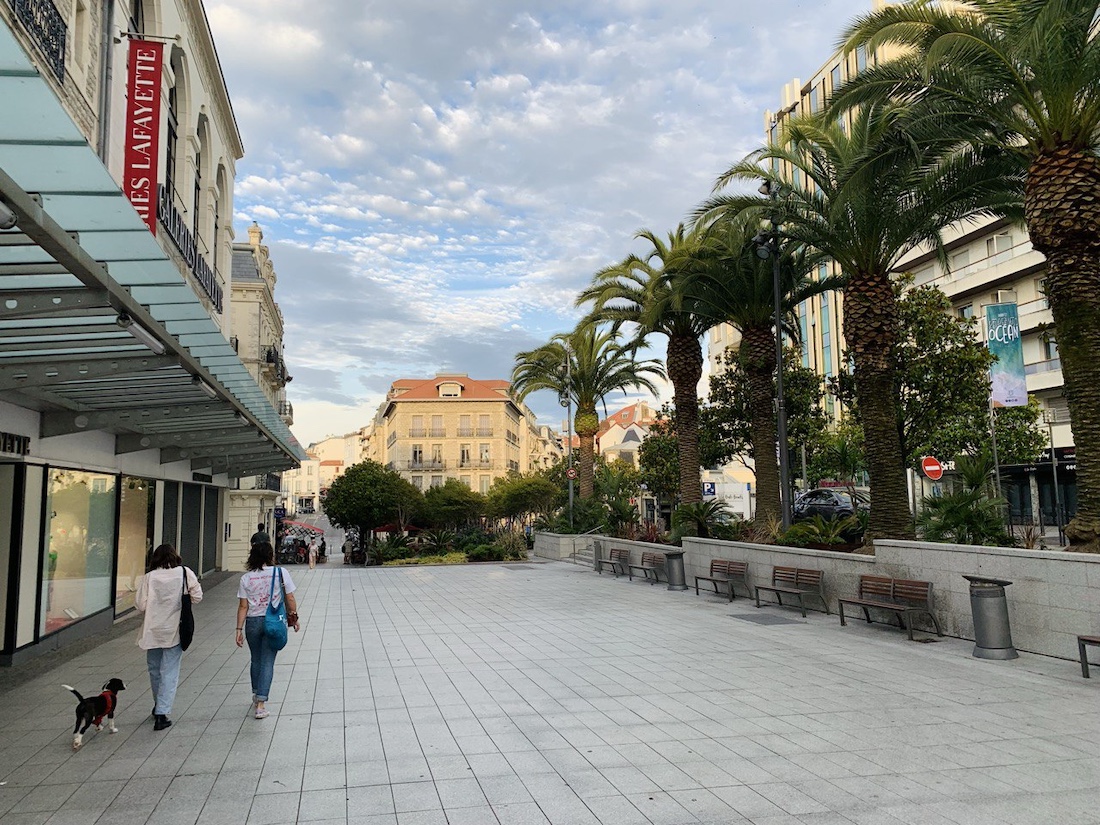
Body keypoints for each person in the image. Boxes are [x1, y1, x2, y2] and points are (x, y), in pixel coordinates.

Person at [136, 543, 203, 732]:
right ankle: (162, 712)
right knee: (169, 671)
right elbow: (197, 597)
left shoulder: (149, 577)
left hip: (152, 631)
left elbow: (140, 605)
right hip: (175, 629)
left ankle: (158, 705)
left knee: (154, 670)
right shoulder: (184, 573)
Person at [236, 541, 300, 719]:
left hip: (253, 622)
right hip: (273, 621)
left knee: (255, 659)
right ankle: (261, 704)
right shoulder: (281, 572)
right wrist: (294, 617)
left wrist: (238, 629)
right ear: (270, 555)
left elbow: (243, 606)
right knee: (267, 661)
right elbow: (290, 597)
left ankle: (256, 694)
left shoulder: (246, 578)